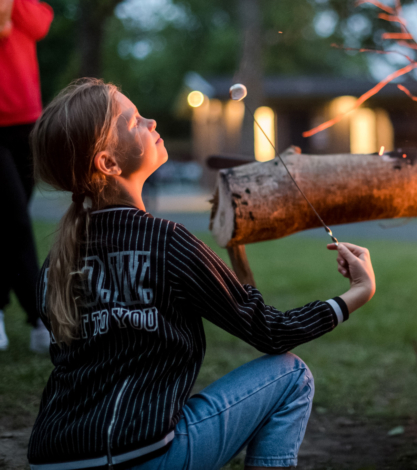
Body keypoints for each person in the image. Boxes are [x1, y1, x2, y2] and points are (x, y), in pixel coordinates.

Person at [27, 78, 376, 470]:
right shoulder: (166, 242)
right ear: (108, 162)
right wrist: (356, 293)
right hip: (139, 457)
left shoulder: (54, 264)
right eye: (134, 121)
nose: (153, 122)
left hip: (51, 460)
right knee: (291, 374)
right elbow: (271, 334)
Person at [0, 0, 53, 352]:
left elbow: (39, 24)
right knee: (15, 217)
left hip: (26, 122)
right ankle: (38, 316)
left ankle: (25, 315)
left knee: (8, 222)